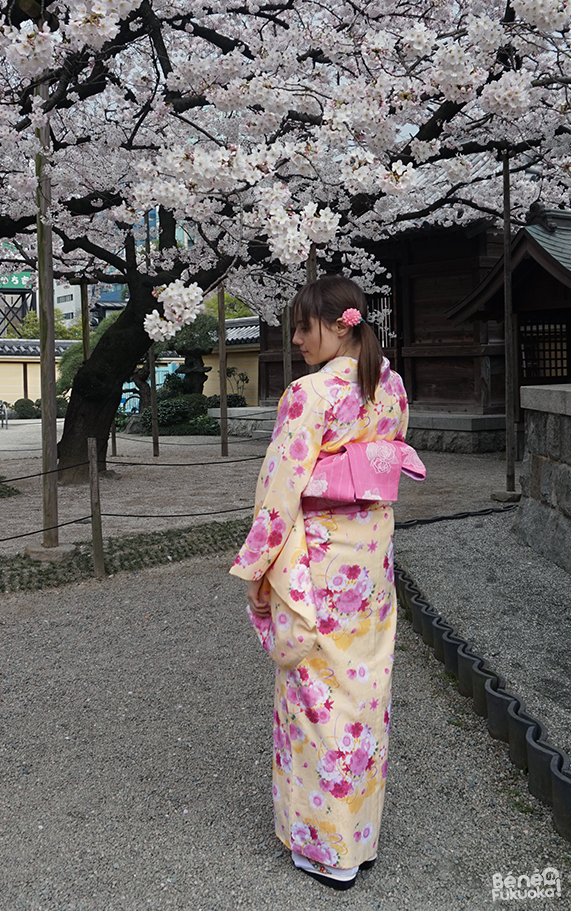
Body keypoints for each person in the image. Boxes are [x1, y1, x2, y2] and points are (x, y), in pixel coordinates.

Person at [230, 276, 411, 891]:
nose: (299, 339)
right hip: (370, 558)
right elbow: (387, 458)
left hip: (319, 559)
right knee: (363, 694)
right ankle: (360, 838)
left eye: (306, 327)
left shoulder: (309, 393)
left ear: (341, 324)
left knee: (315, 698)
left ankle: (328, 849)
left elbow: (281, 489)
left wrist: (258, 566)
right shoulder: (389, 383)